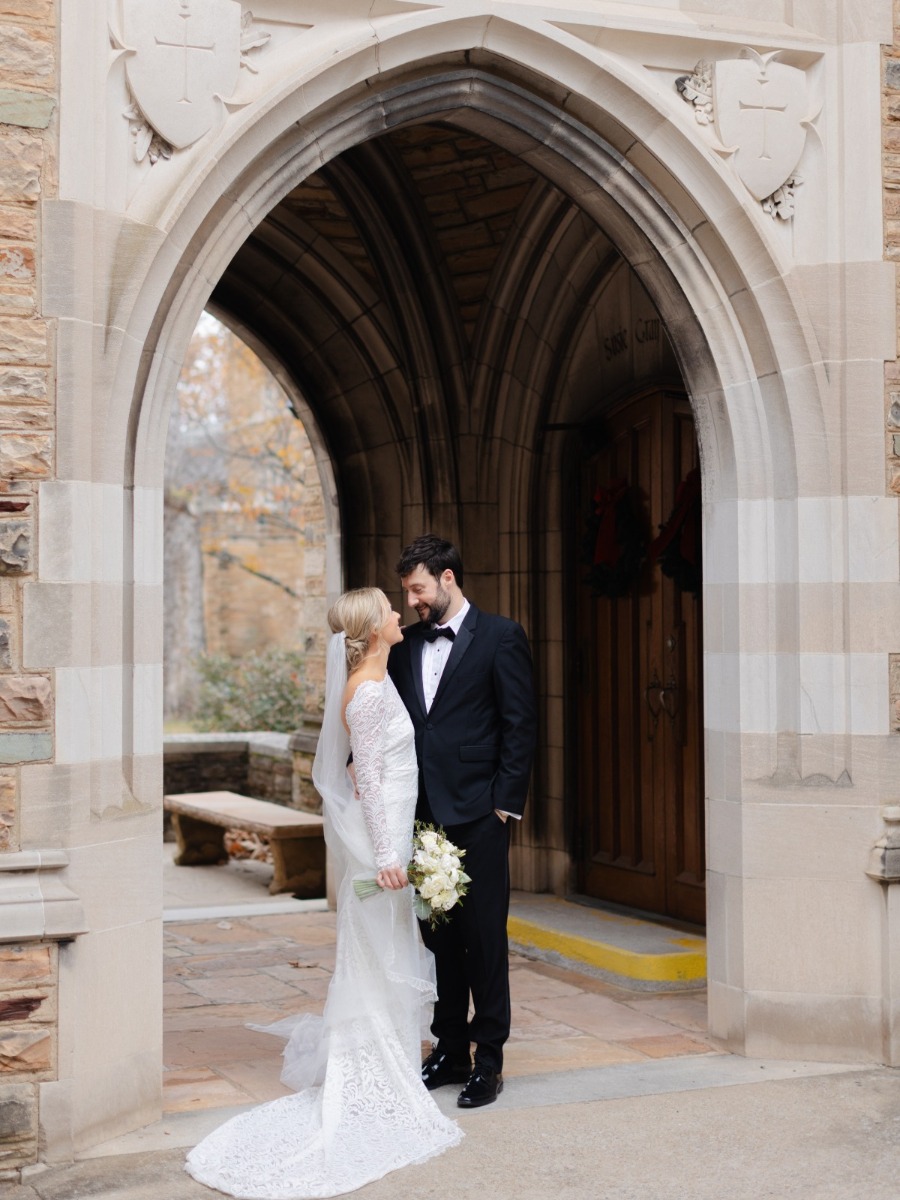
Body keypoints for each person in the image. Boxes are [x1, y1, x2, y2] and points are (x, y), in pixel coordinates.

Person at [185, 588, 462, 1199]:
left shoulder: (378, 679)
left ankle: (391, 1064)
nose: (399, 615)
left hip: (397, 831)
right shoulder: (364, 693)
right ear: (373, 627)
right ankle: (375, 1073)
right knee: (377, 956)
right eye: (390, 610)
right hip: (382, 843)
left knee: (390, 953)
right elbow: (365, 775)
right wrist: (388, 859)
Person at [388, 535, 537, 1109]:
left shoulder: (501, 636)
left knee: (482, 938)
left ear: (448, 579)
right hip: (422, 814)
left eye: (418, 589)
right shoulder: (405, 645)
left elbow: (519, 724)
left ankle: (489, 1060)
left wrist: (504, 804)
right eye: (407, 591)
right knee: (438, 938)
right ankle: (449, 1050)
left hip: (479, 812)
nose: (413, 601)